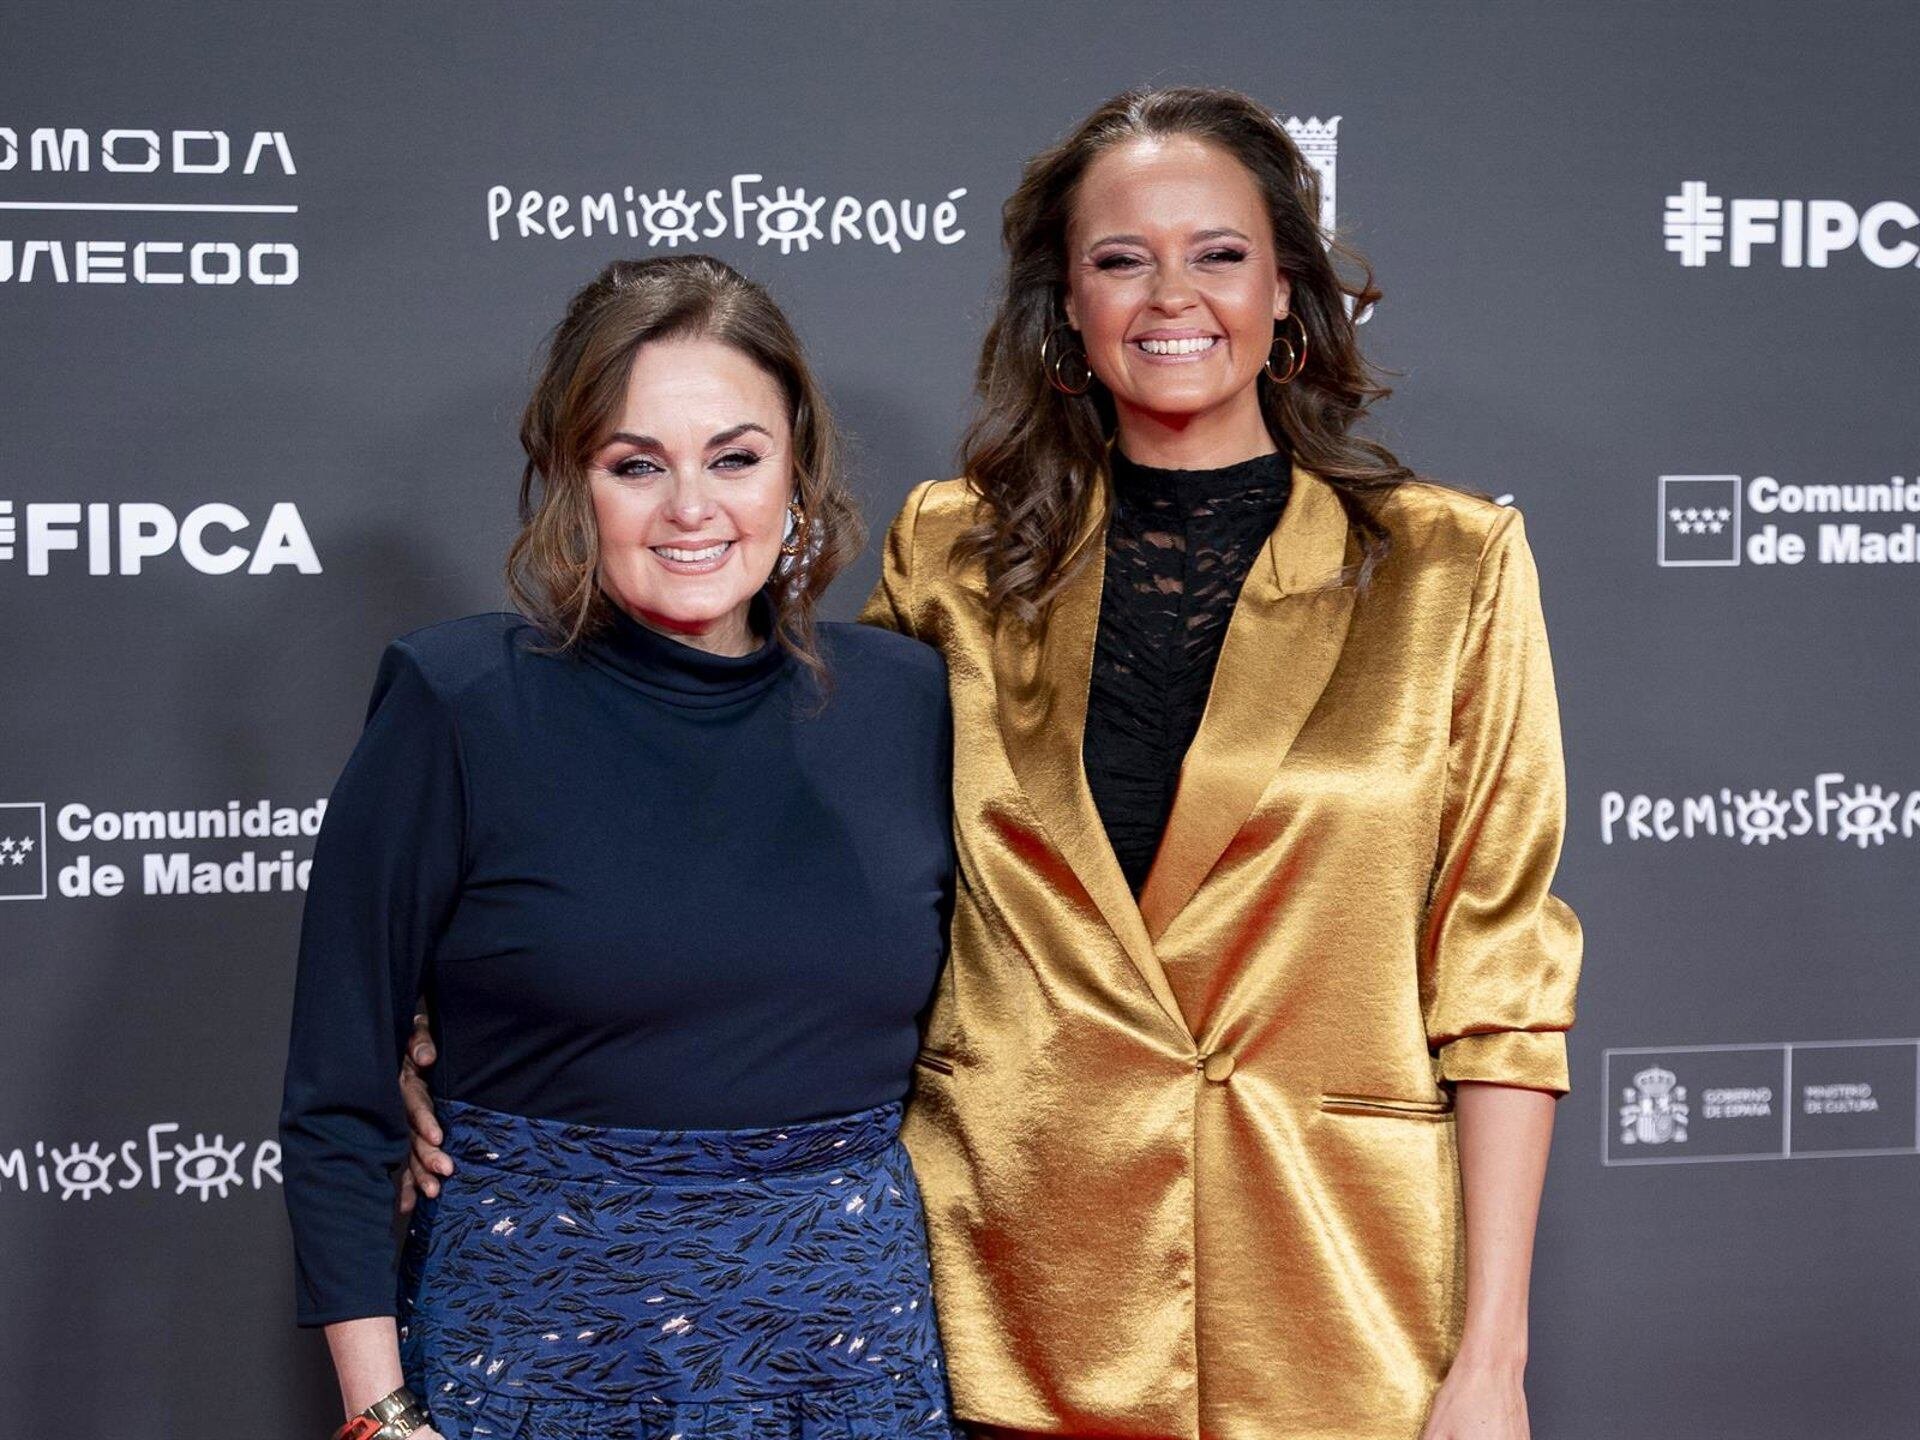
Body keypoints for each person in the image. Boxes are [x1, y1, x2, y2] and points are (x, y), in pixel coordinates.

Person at [407, 85, 1582, 1440]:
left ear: (1291, 296)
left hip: (1336, 1296)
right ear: (1065, 308)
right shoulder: (954, 557)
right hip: (1007, 1301)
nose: (1170, 295)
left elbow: (1501, 983)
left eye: (1219, 253)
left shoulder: (1451, 565)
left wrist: (1490, 1361)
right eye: (1119, 259)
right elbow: (786, 839)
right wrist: (460, 1027)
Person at [281, 254, 962, 1440]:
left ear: (796, 464)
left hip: (850, 1369)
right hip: (531, 1364)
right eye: (636, 464)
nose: (691, 508)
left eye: (735, 457)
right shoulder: (458, 703)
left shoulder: (909, 704)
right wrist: (381, 1420)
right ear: (571, 481)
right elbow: (339, 1102)